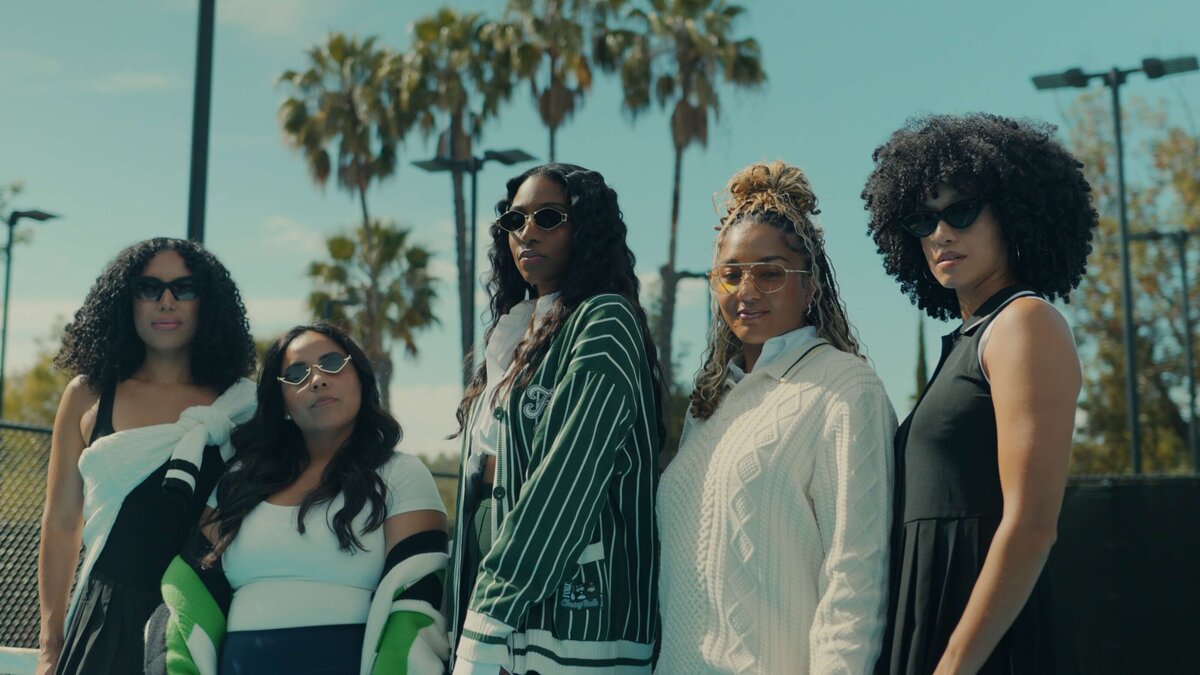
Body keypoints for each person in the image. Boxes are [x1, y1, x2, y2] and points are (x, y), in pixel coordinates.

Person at [862, 113, 1096, 674]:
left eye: (961, 211)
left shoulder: (1024, 323)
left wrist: (954, 664)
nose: (941, 233)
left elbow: (1032, 525)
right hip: (931, 628)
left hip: (986, 648)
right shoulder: (972, 338)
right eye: (923, 220)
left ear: (1013, 213)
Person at [655, 161, 896, 673]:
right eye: (730, 275)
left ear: (810, 287)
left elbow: (855, 577)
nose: (746, 291)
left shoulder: (845, 388)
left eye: (770, 274)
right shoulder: (710, 405)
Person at [445, 163, 665, 674]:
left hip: (574, 623)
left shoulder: (604, 321)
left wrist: (491, 613)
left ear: (586, 228)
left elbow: (567, 479)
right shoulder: (514, 331)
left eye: (548, 217)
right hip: (499, 603)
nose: (527, 232)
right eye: (514, 219)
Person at [160, 323, 450, 674]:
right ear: (281, 401)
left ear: (360, 378)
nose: (317, 380)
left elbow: (416, 600)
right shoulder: (241, 479)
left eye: (332, 363)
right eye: (296, 374)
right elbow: (191, 584)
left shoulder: (401, 473)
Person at [37, 238, 257, 675]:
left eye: (185, 288)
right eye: (148, 288)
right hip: (105, 623)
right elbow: (61, 521)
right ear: (126, 300)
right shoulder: (87, 395)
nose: (166, 301)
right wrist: (50, 644)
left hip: (206, 618)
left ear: (207, 302)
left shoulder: (244, 404)